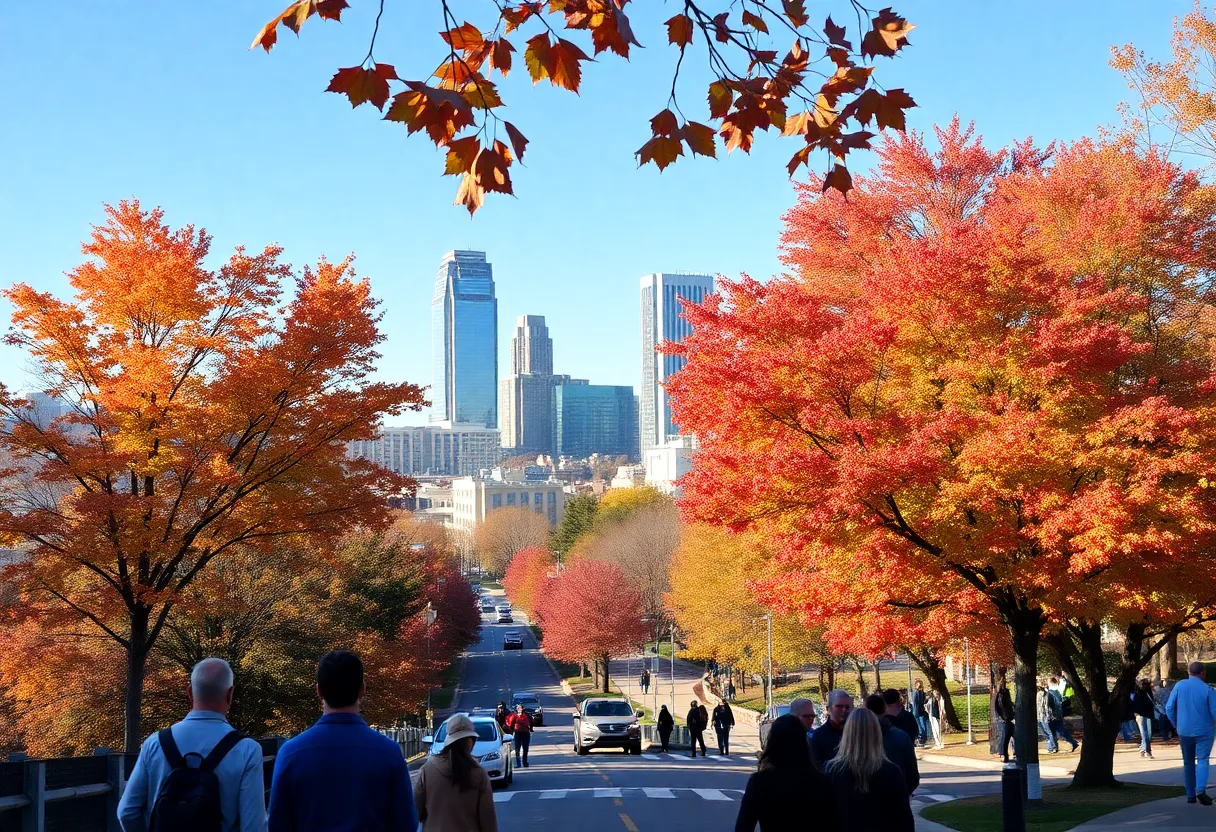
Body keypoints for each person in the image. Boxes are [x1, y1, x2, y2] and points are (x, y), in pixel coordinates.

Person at [267, 650, 417, 832]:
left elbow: (277, 825)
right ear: (362, 689)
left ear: (319, 690)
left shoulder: (290, 754)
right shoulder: (389, 753)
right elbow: (406, 825)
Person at [118, 657, 266, 832]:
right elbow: (253, 827)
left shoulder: (155, 743)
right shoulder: (247, 749)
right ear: (230, 694)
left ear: (190, 692)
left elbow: (126, 812)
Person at [734, 714, 837, 831]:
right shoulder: (821, 781)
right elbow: (833, 823)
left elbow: (744, 826)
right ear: (803, 741)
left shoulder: (760, 781)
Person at [825, 709, 914, 832]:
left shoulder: (832, 770)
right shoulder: (891, 771)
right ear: (876, 733)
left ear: (847, 733)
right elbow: (903, 818)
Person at [415, 714, 498, 831]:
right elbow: (487, 817)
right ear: (470, 742)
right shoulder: (478, 774)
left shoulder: (427, 770)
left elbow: (418, 810)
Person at [1165, 661, 1216, 805]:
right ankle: (1201, 790)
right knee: (1203, 760)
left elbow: (1169, 708)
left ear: (1188, 672)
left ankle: (1190, 795)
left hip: (1184, 731)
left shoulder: (1180, 686)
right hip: (1204, 731)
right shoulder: (1208, 690)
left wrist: (1176, 725)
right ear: (1203, 673)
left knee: (1188, 762)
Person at [864, 694, 920, 794]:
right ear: (884, 709)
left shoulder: (857, 736)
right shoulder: (901, 736)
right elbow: (912, 774)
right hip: (897, 792)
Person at [810, 690, 852, 766]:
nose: (844, 710)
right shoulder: (818, 736)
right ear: (828, 709)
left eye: (847, 707)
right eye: (839, 706)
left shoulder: (855, 733)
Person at [1046, 682, 1078, 752]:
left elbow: (1050, 706)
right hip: (1058, 715)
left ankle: (1053, 747)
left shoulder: (1049, 694)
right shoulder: (1057, 693)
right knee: (1060, 731)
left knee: (1051, 732)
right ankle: (1073, 742)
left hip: (1053, 716)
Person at [1130, 678, 1156, 759]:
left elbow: (1152, 703)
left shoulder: (1148, 692)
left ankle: (1142, 749)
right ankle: (1147, 750)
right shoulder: (1137, 693)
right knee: (1145, 734)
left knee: (1149, 734)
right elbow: (1133, 704)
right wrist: (1136, 713)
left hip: (1148, 715)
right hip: (1140, 715)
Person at [505, 703, 533, 767]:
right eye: (519, 709)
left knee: (525, 749)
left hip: (525, 733)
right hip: (518, 733)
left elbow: (531, 721)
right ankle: (519, 763)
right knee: (517, 749)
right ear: (517, 710)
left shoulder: (527, 715)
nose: (520, 710)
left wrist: (530, 728)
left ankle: (524, 762)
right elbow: (511, 724)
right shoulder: (515, 716)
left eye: (521, 708)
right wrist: (512, 730)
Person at [1036, 680, 1059, 754]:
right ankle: (1053, 747)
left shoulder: (1038, 695)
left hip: (1041, 716)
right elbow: (1053, 706)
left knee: (1048, 733)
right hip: (1048, 716)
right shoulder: (1049, 695)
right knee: (1051, 732)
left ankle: (1051, 747)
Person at [996, 678, 1016, 762]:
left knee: (1013, 736)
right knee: (1006, 737)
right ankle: (1004, 754)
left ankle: (1014, 753)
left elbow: (1008, 704)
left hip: (1009, 718)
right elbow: (1000, 707)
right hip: (1005, 719)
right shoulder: (1000, 694)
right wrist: (1005, 717)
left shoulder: (1006, 692)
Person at [911, 680, 930, 746]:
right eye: (919, 685)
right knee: (920, 725)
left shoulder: (921, 693)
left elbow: (919, 703)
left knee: (922, 725)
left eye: (920, 685)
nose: (920, 687)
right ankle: (922, 738)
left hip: (920, 712)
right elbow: (915, 703)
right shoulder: (917, 693)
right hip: (917, 712)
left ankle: (923, 738)